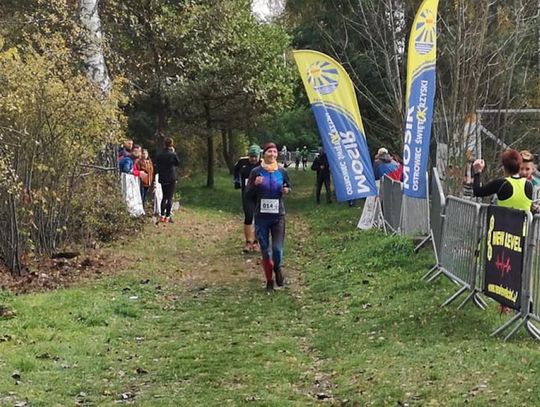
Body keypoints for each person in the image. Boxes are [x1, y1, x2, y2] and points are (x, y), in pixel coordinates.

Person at [246, 142, 291, 292]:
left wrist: (286, 190)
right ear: (263, 154)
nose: (272, 154)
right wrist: (255, 185)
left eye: (275, 152)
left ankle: (277, 267)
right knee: (265, 250)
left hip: (278, 216)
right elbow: (248, 194)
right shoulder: (256, 172)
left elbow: (288, 186)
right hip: (261, 217)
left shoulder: (282, 171)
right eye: (269, 152)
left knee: (277, 249)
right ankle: (269, 281)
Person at [233, 145, 262, 253]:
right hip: (247, 195)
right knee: (249, 216)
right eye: (251, 156)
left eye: (255, 157)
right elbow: (235, 170)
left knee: (259, 218)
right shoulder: (242, 162)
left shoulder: (263, 164)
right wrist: (236, 180)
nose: (253, 159)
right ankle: (248, 242)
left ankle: (257, 242)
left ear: (259, 156)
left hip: (260, 195)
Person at [155, 137, 180, 223]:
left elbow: (157, 163)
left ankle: (162, 215)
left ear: (164, 144)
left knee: (164, 197)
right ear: (171, 144)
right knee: (170, 198)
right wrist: (174, 152)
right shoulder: (172, 154)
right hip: (171, 177)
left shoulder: (159, 154)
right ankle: (167, 216)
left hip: (163, 177)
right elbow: (178, 163)